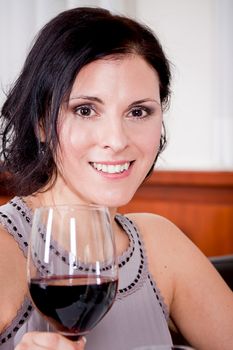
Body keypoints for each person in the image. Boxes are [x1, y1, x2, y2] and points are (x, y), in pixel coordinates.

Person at [0, 6, 232, 350]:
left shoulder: (161, 244)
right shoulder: (5, 250)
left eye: (138, 112)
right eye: (85, 110)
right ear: (41, 123)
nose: (117, 139)